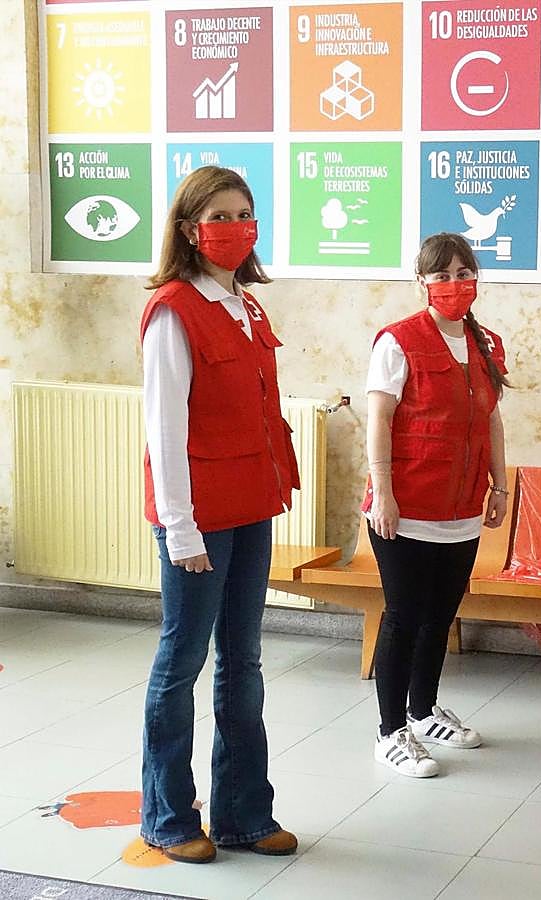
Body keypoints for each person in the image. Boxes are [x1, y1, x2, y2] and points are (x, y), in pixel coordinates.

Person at [140, 166, 301, 863]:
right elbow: (164, 429)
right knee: (182, 661)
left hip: (249, 505)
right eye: (219, 216)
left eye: (244, 214)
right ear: (188, 229)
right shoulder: (173, 309)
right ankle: (168, 816)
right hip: (198, 517)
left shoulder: (247, 305)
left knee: (243, 661)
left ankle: (243, 814)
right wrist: (180, 527)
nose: (236, 228)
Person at [364, 232, 509, 778]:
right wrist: (384, 493)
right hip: (406, 507)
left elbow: (491, 420)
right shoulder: (398, 341)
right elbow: (379, 420)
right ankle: (390, 732)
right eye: (442, 275)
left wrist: (499, 486)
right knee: (404, 617)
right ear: (421, 282)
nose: (454, 284)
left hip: (462, 508)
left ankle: (423, 712)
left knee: (441, 615)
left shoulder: (485, 343)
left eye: (463, 273)